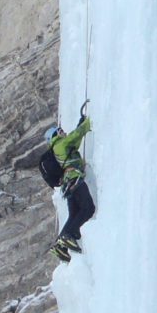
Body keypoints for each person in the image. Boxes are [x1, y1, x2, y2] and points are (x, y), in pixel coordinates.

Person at [45, 102, 95, 261]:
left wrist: (80, 124)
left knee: (74, 214)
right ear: (55, 136)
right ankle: (66, 236)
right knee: (88, 209)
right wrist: (88, 123)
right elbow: (76, 136)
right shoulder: (59, 145)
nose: (63, 132)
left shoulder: (61, 148)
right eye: (60, 131)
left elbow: (74, 141)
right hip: (74, 180)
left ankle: (60, 246)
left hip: (69, 184)